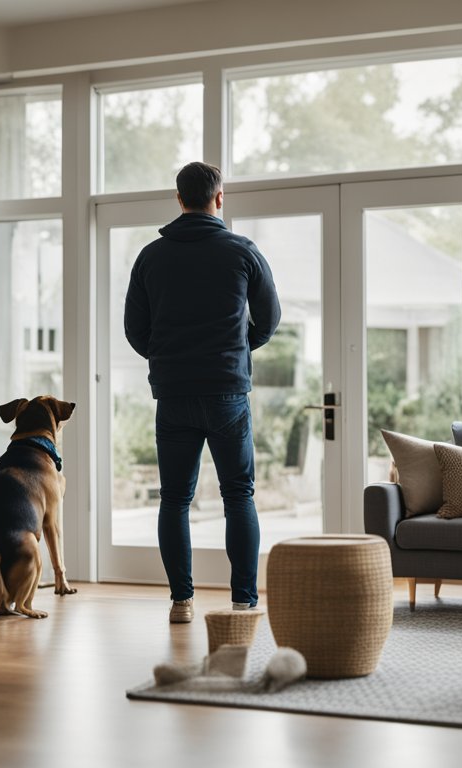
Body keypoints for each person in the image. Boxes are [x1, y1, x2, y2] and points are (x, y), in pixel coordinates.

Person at [124, 161, 281, 624]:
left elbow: (136, 331)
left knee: (174, 498)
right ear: (219, 197)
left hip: (172, 394)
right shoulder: (242, 251)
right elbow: (269, 320)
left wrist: (169, 358)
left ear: (178, 199)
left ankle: (181, 602)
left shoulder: (151, 256)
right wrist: (235, 349)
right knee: (239, 495)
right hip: (226, 392)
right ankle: (243, 601)